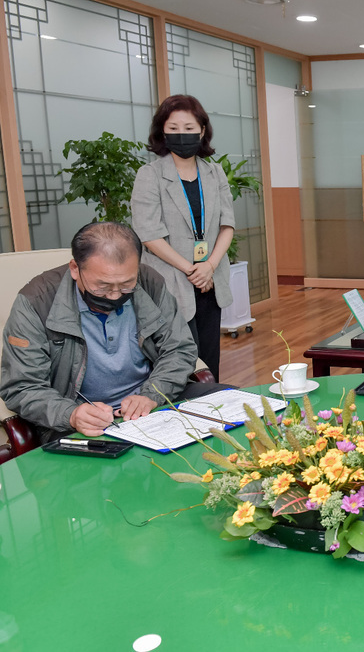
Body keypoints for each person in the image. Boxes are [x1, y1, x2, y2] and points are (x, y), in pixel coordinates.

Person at [0, 222, 200, 442]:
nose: (115, 296)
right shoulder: (36, 302)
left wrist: (151, 395)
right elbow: (22, 386)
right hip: (79, 424)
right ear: (75, 269)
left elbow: (179, 349)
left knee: (225, 406)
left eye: (126, 285)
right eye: (102, 287)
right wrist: (72, 415)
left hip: (151, 406)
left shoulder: (150, 282)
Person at [132, 94, 236, 381]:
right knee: (181, 361)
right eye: (174, 128)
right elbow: (149, 235)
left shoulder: (214, 172)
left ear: (202, 130)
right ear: (162, 131)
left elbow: (227, 225)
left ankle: (210, 416)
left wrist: (209, 266)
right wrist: (192, 269)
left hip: (209, 280)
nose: (182, 135)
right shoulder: (149, 175)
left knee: (210, 362)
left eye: (189, 128)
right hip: (171, 280)